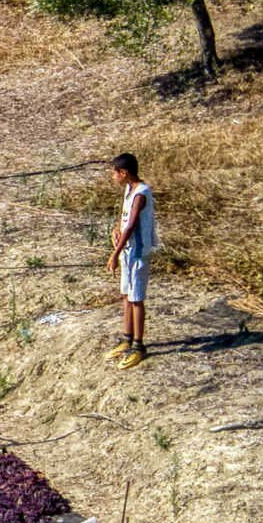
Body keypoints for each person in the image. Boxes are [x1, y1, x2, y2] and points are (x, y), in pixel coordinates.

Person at [107, 153, 156, 369]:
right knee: (127, 295)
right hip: (127, 251)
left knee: (136, 299)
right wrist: (116, 229)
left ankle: (138, 345)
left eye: (114, 173)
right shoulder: (129, 190)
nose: (113, 177)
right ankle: (127, 338)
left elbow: (132, 224)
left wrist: (114, 254)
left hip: (136, 253)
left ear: (123, 173)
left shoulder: (141, 194)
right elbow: (124, 219)